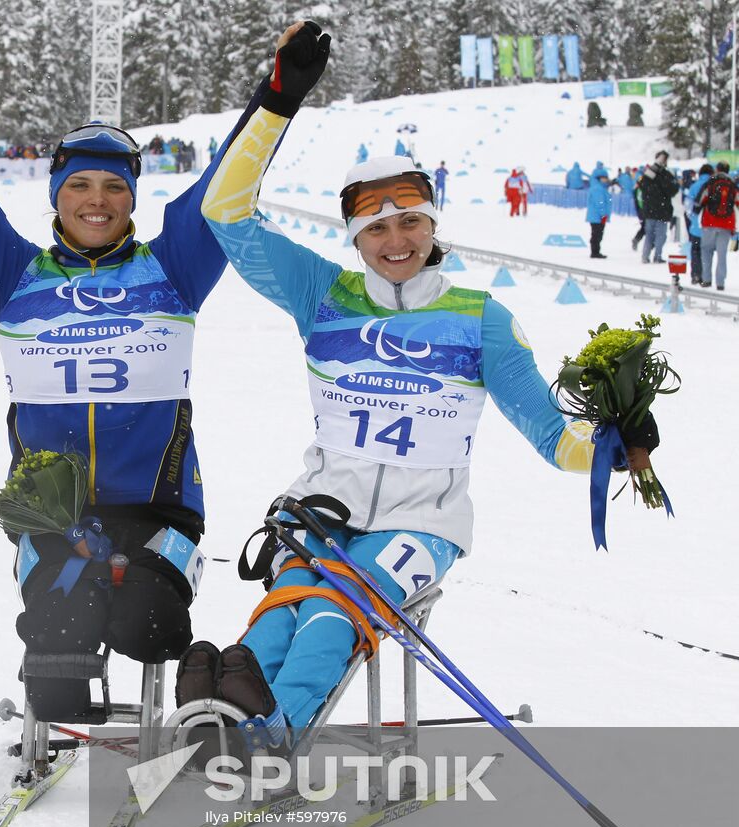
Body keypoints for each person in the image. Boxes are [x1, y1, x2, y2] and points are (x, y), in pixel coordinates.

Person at [188, 22, 660, 744]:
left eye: (410, 221)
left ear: (431, 224)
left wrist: (615, 440)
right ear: (354, 238)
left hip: (423, 523)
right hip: (324, 508)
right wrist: (279, 100)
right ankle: (234, 714)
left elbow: (552, 435)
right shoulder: (324, 294)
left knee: (331, 605)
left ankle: (270, 732)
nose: (395, 241)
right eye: (376, 229)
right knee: (285, 603)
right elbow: (223, 209)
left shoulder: (479, 318)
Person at [0, 0, 265, 721]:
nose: (98, 201)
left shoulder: (173, 270)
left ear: (132, 198)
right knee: (58, 648)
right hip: (51, 513)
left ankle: (165, 653)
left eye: (115, 186)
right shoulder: (13, 276)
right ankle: (57, 703)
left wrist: (277, 96)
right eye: (80, 185)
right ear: (56, 195)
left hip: (160, 511)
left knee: (147, 629)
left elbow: (224, 187)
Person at [696, 161, 736, 290]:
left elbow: (700, 201)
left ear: (717, 169)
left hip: (709, 221)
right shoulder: (732, 185)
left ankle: (706, 279)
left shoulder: (710, 183)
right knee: (722, 254)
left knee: (706, 250)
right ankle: (720, 282)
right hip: (726, 223)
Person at [635, 151, 680, 265]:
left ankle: (645, 256)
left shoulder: (648, 174)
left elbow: (641, 185)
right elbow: (672, 190)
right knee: (661, 235)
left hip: (649, 210)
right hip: (662, 211)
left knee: (649, 234)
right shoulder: (666, 175)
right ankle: (657, 256)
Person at [685, 164, 714, 285]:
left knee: (695, 250)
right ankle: (705, 275)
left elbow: (687, 205)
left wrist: (692, 218)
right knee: (707, 252)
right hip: (710, 225)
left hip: (696, 225)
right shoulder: (714, 186)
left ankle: (696, 274)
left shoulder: (694, 186)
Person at [586, 162, 613, 259]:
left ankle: (596, 251)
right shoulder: (598, 189)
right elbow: (600, 203)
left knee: (598, 234)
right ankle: (595, 252)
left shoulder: (600, 188)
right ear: (599, 178)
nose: (606, 179)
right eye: (604, 178)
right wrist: (603, 215)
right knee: (597, 234)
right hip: (598, 216)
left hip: (599, 216)